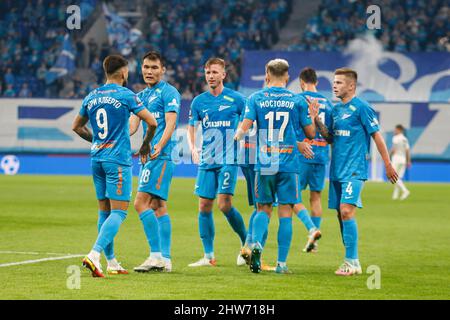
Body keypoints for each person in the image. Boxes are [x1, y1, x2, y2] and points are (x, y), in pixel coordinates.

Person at [72, 55, 157, 278]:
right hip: (117, 160)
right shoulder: (126, 95)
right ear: (122, 73)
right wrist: (146, 144)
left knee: (104, 211)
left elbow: (76, 127)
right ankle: (94, 254)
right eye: (127, 71)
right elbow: (152, 122)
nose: (128, 74)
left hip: (96, 159)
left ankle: (110, 261)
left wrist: (97, 141)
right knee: (119, 212)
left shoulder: (91, 96)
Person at [313, 68, 398, 276]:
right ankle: (353, 260)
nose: (334, 86)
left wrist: (387, 164)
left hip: (354, 170)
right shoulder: (335, 110)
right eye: (334, 82)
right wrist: (316, 120)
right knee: (341, 216)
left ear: (351, 86)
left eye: (339, 83)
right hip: (336, 171)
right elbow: (330, 138)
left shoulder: (362, 108)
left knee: (346, 211)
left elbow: (377, 137)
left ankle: (351, 262)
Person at [235, 59, 317, 274]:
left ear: (267, 75)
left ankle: (256, 245)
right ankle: (281, 264)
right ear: (288, 77)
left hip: (265, 162)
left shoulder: (255, 98)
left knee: (263, 208)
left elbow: (246, 126)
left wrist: (236, 136)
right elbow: (310, 134)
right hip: (289, 162)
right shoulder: (297, 100)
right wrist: (312, 118)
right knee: (286, 212)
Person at [187, 57, 248, 267]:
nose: (210, 76)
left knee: (224, 204)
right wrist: (193, 147)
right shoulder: (198, 102)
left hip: (228, 159)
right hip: (207, 159)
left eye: (214, 72)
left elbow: (250, 120)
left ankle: (246, 244)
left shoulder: (237, 99)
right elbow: (191, 127)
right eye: (207, 72)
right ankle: (209, 256)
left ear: (223, 74)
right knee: (204, 205)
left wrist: (242, 135)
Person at [130, 51, 181, 273]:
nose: (149, 71)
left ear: (163, 70)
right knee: (158, 206)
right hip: (147, 157)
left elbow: (171, 122)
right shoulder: (140, 96)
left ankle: (155, 256)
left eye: (154, 68)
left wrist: (159, 144)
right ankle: (166, 259)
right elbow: (132, 127)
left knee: (140, 203)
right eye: (146, 67)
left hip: (160, 155)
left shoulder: (169, 92)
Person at [294, 67, 333, 253]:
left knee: (292, 196)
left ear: (302, 82)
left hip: (303, 153)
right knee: (315, 197)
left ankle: (311, 228)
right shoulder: (327, 103)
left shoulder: (299, 100)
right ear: (316, 82)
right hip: (322, 154)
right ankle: (314, 242)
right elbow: (330, 132)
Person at [390, 124, 411, 200]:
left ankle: (405, 191)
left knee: (393, 177)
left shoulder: (395, 138)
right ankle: (395, 196)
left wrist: (388, 155)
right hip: (403, 160)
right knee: (399, 178)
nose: (394, 131)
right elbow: (407, 150)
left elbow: (393, 149)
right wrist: (408, 161)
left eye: (396, 129)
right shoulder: (405, 139)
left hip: (396, 159)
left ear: (399, 130)